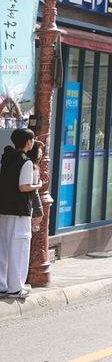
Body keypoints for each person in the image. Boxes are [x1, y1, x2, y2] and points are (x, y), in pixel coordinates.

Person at [0, 128, 42, 299]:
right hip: (20, 211)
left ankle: (2, 285)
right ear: (28, 142)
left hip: (3, 210)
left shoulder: (6, 159)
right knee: (19, 249)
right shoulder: (26, 162)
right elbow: (24, 187)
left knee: (3, 249)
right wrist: (38, 185)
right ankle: (16, 288)